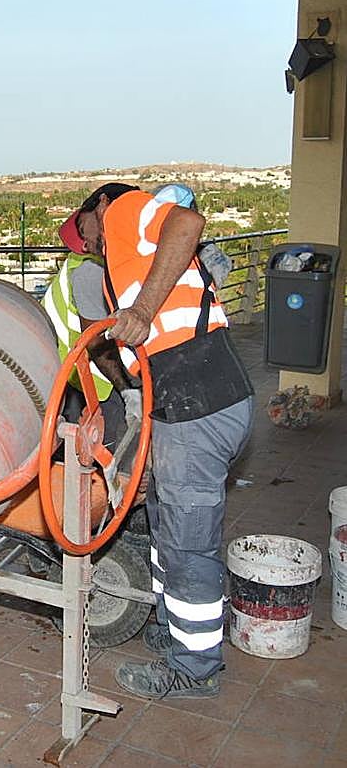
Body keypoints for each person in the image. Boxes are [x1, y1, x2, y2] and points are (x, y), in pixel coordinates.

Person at [59, 182, 254, 700]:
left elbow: (187, 225)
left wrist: (141, 310)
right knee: (168, 529)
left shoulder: (124, 209)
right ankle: (173, 630)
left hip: (200, 401)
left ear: (99, 205)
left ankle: (195, 669)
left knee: (188, 545)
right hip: (184, 402)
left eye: (85, 231)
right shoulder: (123, 266)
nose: (89, 245)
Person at [42, 252, 142, 450]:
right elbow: (96, 342)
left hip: (64, 371)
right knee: (116, 447)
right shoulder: (90, 271)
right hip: (87, 376)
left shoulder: (99, 262)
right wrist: (128, 391)